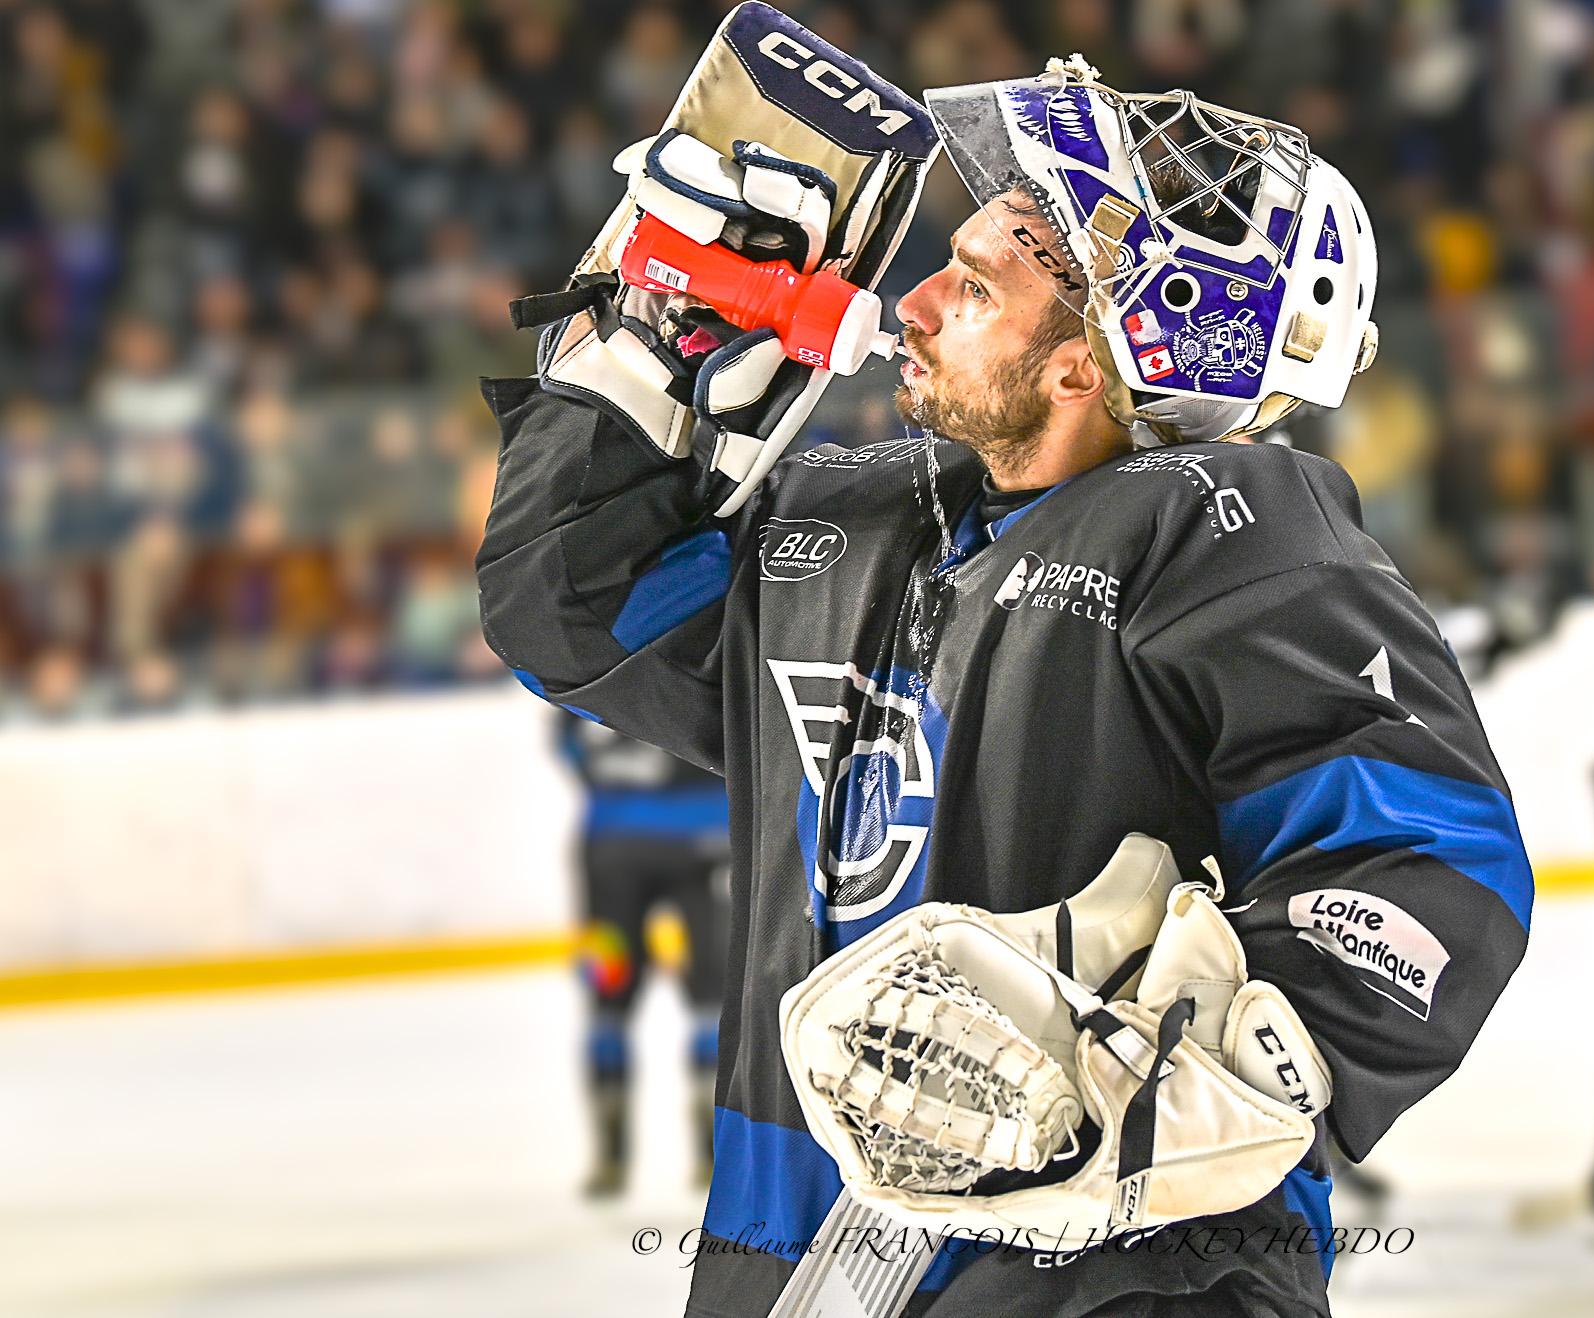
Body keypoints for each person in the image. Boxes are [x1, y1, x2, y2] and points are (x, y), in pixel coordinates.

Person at [478, 46, 1530, 1318]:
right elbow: (570, 608)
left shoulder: (1231, 532)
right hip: (787, 1246)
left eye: (971, 285)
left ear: (1087, 361)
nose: (909, 305)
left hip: (1113, 1274)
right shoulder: (857, 519)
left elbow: (1433, 868)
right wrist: (650, 333)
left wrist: (1185, 1072)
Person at [556, 709, 729, 1197]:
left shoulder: (579, 645)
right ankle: (713, 1154)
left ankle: (609, 1156)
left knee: (607, 1000)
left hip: (611, 847)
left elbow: (568, 744)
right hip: (705, 838)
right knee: (714, 998)